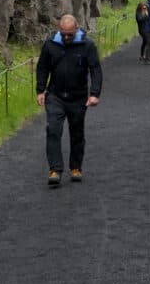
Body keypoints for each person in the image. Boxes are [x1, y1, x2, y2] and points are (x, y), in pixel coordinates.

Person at [36, 14, 102, 186]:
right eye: (63, 33)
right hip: (55, 95)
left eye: (69, 34)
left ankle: (76, 167)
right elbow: (42, 67)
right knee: (53, 130)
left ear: (76, 29)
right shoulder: (50, 44)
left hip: (78, 97)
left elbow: (95, 69)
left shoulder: (87, 45)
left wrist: (94, 93)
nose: (66, 37)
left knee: (77, 133)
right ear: (59, 30)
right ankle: (55, 170)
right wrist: (40, 90)